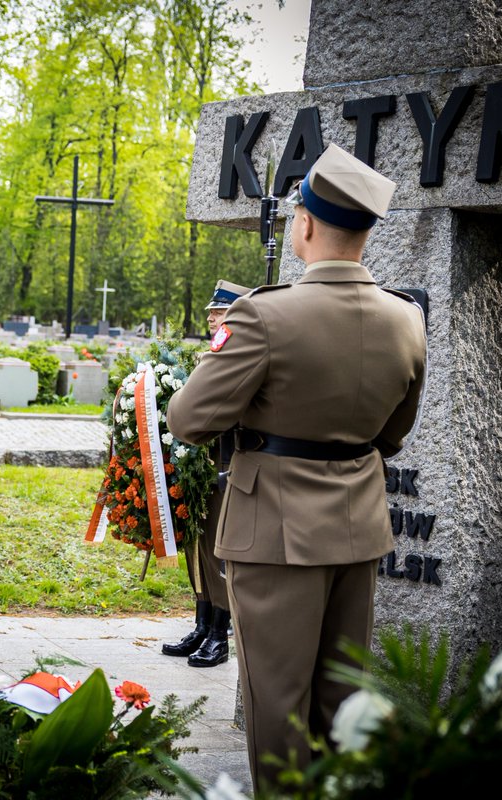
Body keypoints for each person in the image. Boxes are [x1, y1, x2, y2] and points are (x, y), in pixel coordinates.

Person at [167, 144, 426, 790]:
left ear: (304, 224)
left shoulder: (264, 314)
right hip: (359, 530)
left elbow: (188, 418)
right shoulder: (407, 321)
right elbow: (392, 435)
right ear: (364, 232)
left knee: (278, 712)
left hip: (275, 534)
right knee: (342, 707)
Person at [161, 279, 250, 668]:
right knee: (196, 546)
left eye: (219, 312)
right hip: (202, 464)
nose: (212, 318)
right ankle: (201, 622)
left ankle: (220, 633)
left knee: (217, 551)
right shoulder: (212, 354)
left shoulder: (241, 354)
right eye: (212, 313)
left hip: (226, 465)